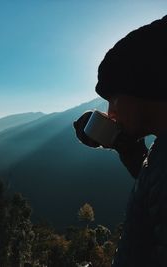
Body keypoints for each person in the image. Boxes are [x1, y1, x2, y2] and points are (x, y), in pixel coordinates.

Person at [74, 15, 167, 267]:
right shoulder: (159, 150)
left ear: (143, 86)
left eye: (113, 98)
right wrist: (129, 150)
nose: (110, 112)